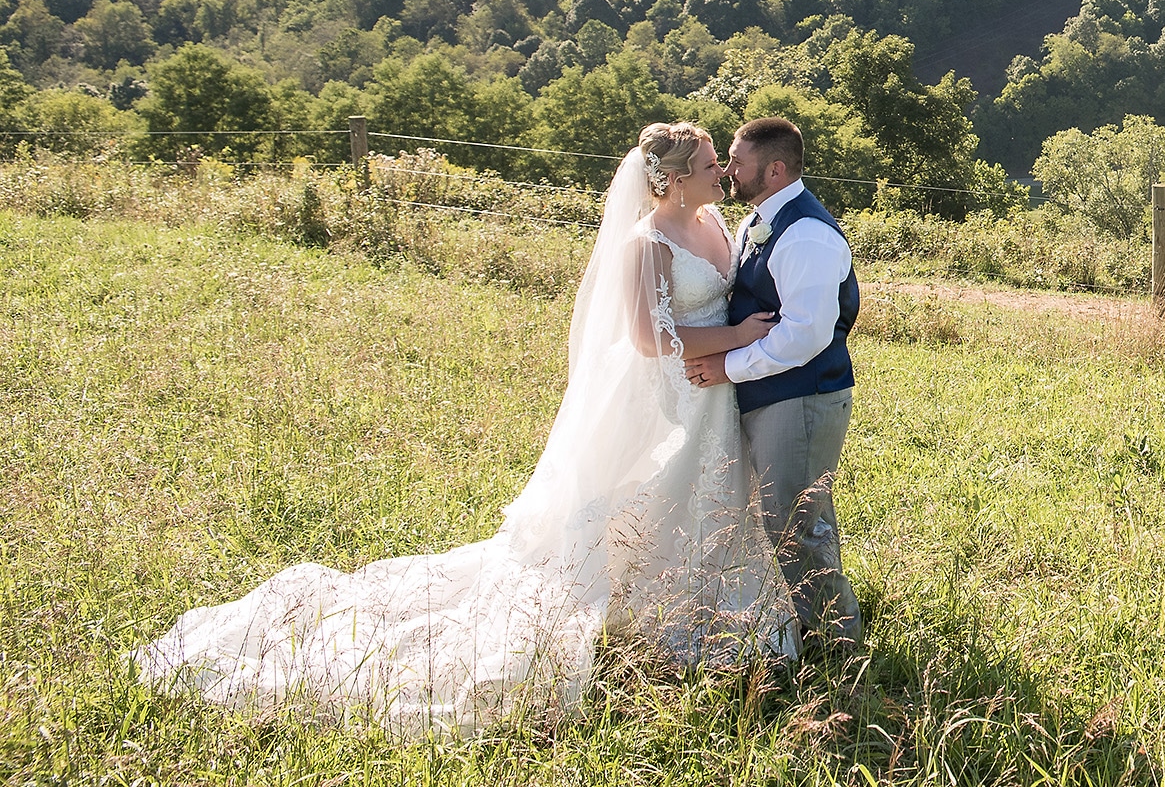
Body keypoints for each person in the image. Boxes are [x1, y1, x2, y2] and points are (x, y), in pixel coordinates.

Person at [136, 123, 800, 737]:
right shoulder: (646, 242)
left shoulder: (714, 220)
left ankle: (703, 618)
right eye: (713, 164)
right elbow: (649, 336)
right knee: (643, 502)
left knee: (701, 504)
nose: (724, 173)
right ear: (676, 178)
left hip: (710, 398)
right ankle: (644, 620)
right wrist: (737, 336)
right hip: (668, 394)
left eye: (723, 163)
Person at [681, 116, 862, 645]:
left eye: (738, 161)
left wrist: (728, 366)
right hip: (771, 393)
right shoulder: (759, 218)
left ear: (776, 170)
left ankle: (838, 639)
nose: (729, 170)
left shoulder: (806, 234)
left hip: (801, 396)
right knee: (784, 514)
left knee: (793, 521)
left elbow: (807, 335)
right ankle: (801, 622)